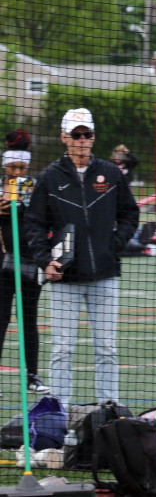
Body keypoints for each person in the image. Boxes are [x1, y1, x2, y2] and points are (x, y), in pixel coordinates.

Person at [25, 108, 139, 408]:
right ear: (64, 138)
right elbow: (34, 223)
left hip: (105, 275)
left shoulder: (111, 173)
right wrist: (45, 260)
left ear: (93, 137)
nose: (82, 140)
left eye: (87, 134)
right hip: (66, 278)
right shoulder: (49, 177)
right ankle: (59, 411)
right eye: (76, 135)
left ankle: (110, 409)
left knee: (107, 348)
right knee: (62, 349)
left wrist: (114, 244)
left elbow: (130, 213)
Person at [0, 131, 49, 396]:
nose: (17, 172)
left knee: (28, 318)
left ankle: (32, 375)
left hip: (29, 260)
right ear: (5, 165)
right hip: (2, 262)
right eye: (12, 167)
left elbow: (42, 219)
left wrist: (22, 205)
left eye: (22, 167)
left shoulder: (33, 186)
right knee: (1, 318)